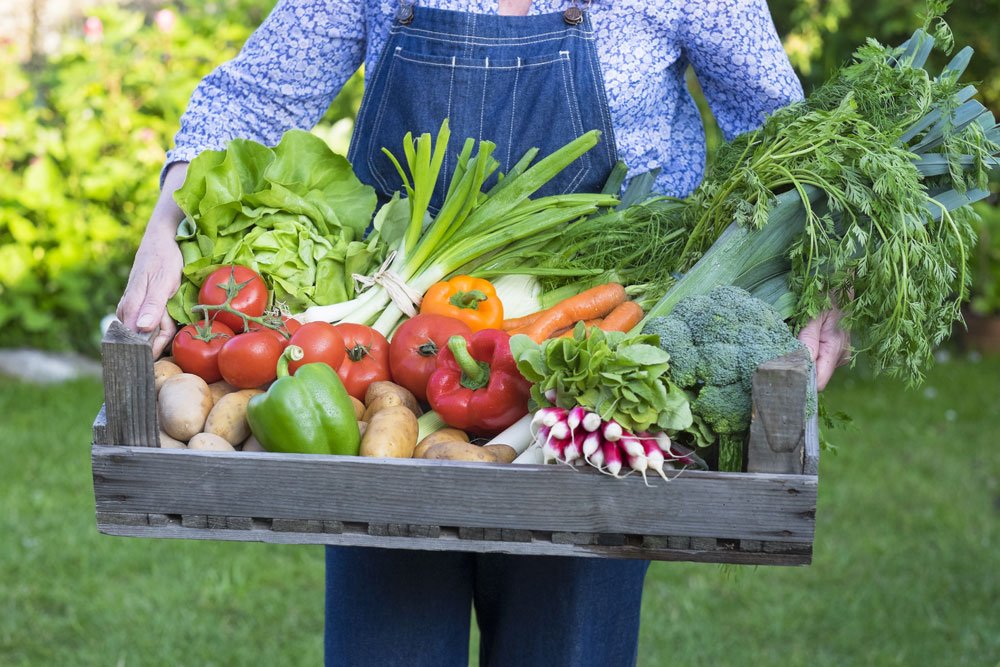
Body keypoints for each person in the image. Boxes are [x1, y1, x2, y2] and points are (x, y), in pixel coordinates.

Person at [118, 1, 850, 664]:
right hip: (401, 371)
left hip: (597, 380)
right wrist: (166, 220)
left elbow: (777, 124)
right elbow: (255, 94)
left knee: (566, 644)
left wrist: (825, 267)